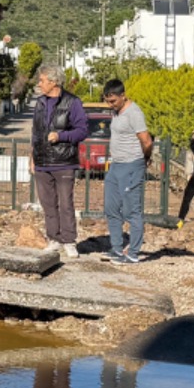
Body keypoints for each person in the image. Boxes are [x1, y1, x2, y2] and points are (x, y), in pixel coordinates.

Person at [30, 64, 90, 260]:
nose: (39, 84)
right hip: (42, 162)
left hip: (64, 161)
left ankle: (69, 241)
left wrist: (61, 136)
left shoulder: (73, 103)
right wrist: (32, 157)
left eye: (42, 80)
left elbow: (82, 130)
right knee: (48, 204)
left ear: (53, 82)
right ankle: (53, 239)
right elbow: (36, 133)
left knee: (65, 203)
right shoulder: (39, 103)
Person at [101, 78, 153, 264]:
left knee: (132, 211)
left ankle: (133, 253)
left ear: (123, 95)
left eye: (113, 101)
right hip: (116, 165)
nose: (110, 104)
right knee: (111, 207)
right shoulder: (116, 112)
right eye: (108, 100)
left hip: (132, 165)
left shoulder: (134, 113)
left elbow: (146, 141)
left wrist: (145, 159)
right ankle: (116, 249)